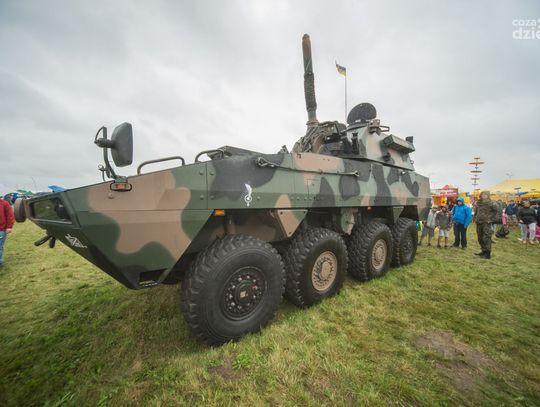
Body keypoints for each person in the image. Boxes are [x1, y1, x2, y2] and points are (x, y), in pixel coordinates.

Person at [473, 190, 498, 259]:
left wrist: (491, 219)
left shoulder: (492, 203)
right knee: (480, 237)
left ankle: (487, 254)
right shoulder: (478, 203)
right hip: (479, 222)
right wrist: (475, 218)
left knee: (486, 238)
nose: (483, 196)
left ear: (488, 196)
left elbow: (497, 212)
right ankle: (483, 251)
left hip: (486, 223)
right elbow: (476, 211)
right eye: (482, 194)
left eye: (485, 194)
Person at [0, 197, 15, 267]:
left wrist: (9, 227)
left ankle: (0, 262)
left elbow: (10, 215)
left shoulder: (4, 203)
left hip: (1, 229)